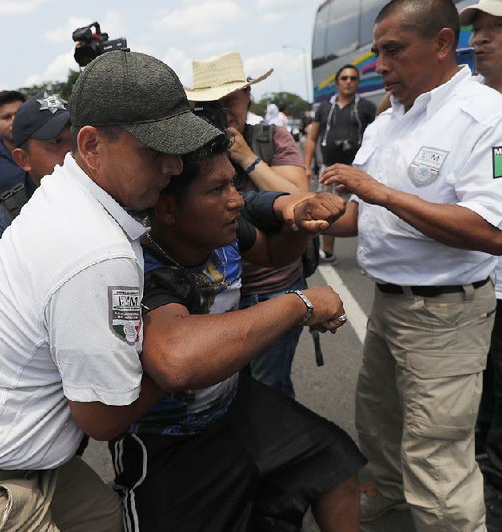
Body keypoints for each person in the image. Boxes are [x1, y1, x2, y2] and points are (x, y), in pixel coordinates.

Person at [0, 50, 224, 531]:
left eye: (179, 148)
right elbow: (103, 419)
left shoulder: (65, 187)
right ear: (91, 145)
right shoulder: (97, 250)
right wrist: (188, 357)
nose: (173, 167)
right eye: (154, 150)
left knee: (106, 520)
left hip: (2, 459)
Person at [319, 0, 502, 528]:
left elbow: (493, 232)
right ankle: (388, 492)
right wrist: (316, 217)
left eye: (393, 50)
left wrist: (379, 193)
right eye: (377, 51)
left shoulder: (488, 118)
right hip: (388, 303)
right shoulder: (388, 120)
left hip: (445, 315)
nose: (380, 65)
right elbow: (358, 215)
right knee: (379, 419)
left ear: (443, 44)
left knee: (437, 455)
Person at [110, 136, 363, 532]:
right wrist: (301, 304)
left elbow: (274, 253)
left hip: (232, 404)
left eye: (232, 184)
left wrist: (301, 224)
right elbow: (177, 360)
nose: (237, 200)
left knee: (335, 463)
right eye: (217, 190)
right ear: (168, 207)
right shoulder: (138, 268)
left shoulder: (221, 235)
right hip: (166, 438)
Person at [186, 51, 309, 398]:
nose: (223, 112)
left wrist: (245, 157)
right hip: (214, 294)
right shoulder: (189, 147)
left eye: (230, 101)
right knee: (222, 390)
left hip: (272, 287)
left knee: (269, 388)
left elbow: (302, 203)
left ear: (248, 97)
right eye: (210, 104)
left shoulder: (272, 138)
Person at [461, 1, 502, 529]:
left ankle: (498, 487)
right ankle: (477, 470)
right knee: (479, 385)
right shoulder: (471, 106)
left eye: (495, 28)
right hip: (476, 279)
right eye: (477, 29)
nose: (481, 39)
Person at [0, 92, 71, 261]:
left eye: (76, 138)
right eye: (56, 142)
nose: (72, 153)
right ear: (23, 159)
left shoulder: (112, 191)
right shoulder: (3, 228)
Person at [304, 64, 377, 264]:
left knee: (365, 213)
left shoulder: (367, 108)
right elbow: (312, 138)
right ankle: (327, 252)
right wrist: (307, 166)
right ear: (337, 82)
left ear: (358, 83)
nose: (348, 82)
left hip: (358, 172)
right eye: (344, 78)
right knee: (328, 210)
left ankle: (370, 254)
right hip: (329, 170)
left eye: (353, 78)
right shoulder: (325, 108)